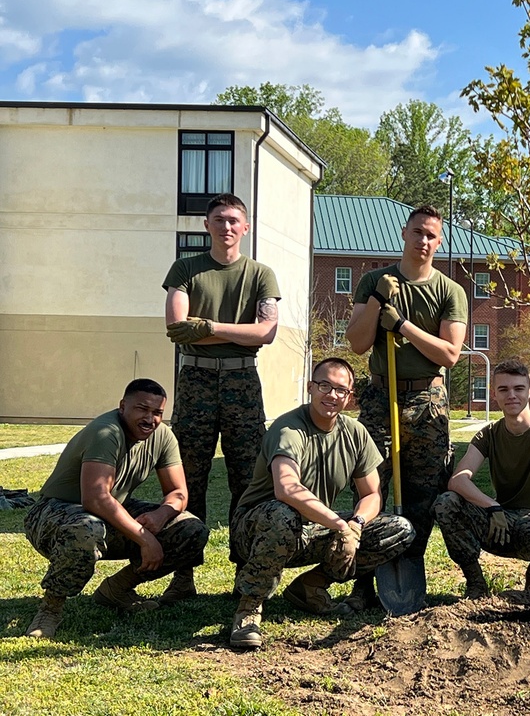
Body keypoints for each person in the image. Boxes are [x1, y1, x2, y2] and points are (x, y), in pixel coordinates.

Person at [228, 357, 415, 649]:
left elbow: (371, 494)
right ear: (310, 388)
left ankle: (311, 586)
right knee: (282, 515)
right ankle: (249, 608)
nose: (331, 395)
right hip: (256, 529)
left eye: (340, 390)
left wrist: (356, 525)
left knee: (398, 529)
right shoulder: (289, 428)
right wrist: (340, 524)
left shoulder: (354, 433)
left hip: (311, 527)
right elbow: (286, 489)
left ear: (349, 397)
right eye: (324, 386)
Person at [343, 205, 467, 612]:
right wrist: (380, 302)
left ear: (440, 240)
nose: (424, 241)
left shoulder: (450, 291)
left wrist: (403, 327)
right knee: (371, 486)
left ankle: (410, 563)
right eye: (417, 232)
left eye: (432, 235)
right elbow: (358, 343)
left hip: (428, 401)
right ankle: (363, 580)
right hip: (381, 397)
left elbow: (449, 354)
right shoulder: (374, 281)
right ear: (404, 233)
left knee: (422, 492)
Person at [161, 192, 280, 603]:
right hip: (194, 381)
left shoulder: (261, 274)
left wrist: (208, 325)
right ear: (206, 225)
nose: (226, 226)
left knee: (246, 479)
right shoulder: (186, 269)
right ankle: (182, 573)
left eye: (234, 220)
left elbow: (266, 332)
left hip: (242, 384)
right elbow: (177, 327)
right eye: (219, 219)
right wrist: (236, 330)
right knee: (186, 476)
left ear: (245, 227)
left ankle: (243, 571)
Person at [23, 379, 209, 638]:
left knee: (191, 529)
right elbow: (96, 498)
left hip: (110, 509)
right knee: (86, 530)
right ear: (123, 406)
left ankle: (117, 589)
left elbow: (178, 493)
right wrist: (145, 539)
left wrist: (161, 514)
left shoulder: (163, 436)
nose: (150, 419)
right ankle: (50, 609)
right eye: (142, 409)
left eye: (157, 413)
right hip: (55, 512)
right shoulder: (106, 432)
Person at [433, 360, 530, 598]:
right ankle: (476, 584)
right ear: (494, 394)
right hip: (499, 523)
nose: (511, 395)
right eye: (503, 389)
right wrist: (492, 507)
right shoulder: (489, 434)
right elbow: (458, 480)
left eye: (519, 388)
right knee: (446, 503)